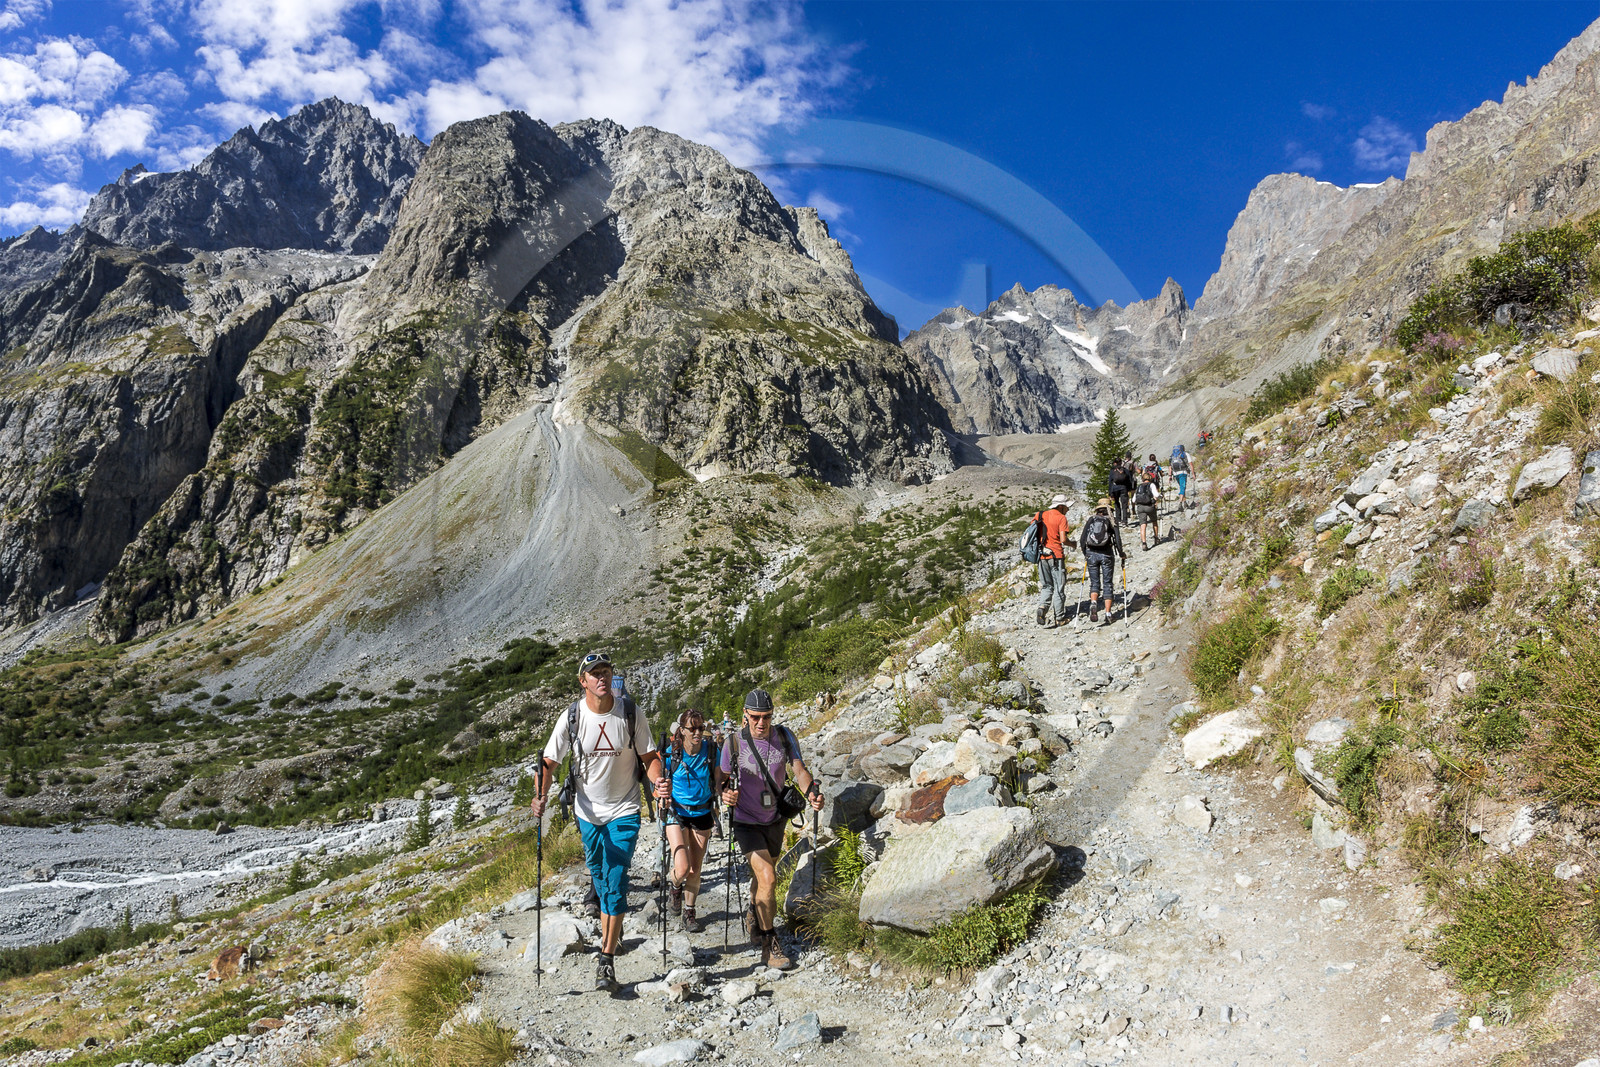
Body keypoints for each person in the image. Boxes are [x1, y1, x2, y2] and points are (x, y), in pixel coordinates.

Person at [530, 651, 669, 993]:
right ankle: (613, 929)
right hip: (587, 813)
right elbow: (549, 761)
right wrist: (541, 794)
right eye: (594, 673)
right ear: (583, 681)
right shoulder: (572, 717)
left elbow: (650, 755)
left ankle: (605, 959)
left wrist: (659, 783)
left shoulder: (631, 713)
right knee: (601, 877)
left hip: (624, 808)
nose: (601, 677)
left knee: (617, 878)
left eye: (606, 671)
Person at [718, 689, 823, 971]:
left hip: (776, 817)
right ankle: (769, 943)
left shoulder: (785, 736)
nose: (761, 723)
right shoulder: (733, 743)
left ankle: (753, 912)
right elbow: (722, 779)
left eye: (766, 717)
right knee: (768, 877)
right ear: (745, 716)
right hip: (745, 820)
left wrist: (811, 790)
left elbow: (799, 770)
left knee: (762, 878)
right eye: (755, 718)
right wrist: (725, 793)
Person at [661, 709, 717, 933]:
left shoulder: (711, 751)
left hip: (703, 813)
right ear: (681, 731)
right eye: (692, 728)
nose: (697, 732)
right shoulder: (671, 754)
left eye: (701, 728)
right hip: (677, 813)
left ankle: (689, 913)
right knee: (682, 867)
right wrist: (661, 797)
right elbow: (660, 783)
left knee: (695, 869)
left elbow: (721, 777)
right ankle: (674, 885)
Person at [1079, 498, 1126, 624]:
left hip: (1091, 554)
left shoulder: (1091, 520)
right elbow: (1117, 540)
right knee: (1107, 583)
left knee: (1094, 583)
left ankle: (1093, 603)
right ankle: (1108, 613)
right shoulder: (1111, 520)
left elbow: (1082, 539)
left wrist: (1086, 553)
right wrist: (1122, 554)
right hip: (1106, 554)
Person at [1032, 494, 1074, 627]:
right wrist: (1073, 544)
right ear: (1061, 506)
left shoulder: (1039, 515)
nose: (1068, 509)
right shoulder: (1061, 518)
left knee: (1047, 586)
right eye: (1066, 507)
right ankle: (1060, 618)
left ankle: (1042, 608)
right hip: (1056, 556)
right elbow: (1063, 540)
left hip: (1041, 555)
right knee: (1059, 587)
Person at [1134, 471, 1162, 550]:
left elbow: (1133, 500)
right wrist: (1161, 496)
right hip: (1149, 506)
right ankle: (1156, 538)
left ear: (1142, 479)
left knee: (1143, 525)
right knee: (1154, 521)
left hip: (1140, 507)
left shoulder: (1139, 486)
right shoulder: (1151, 485)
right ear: (1150, 478)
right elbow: (1156, 495)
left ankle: (1144, 543)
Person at [1108, 458, 1134, 527]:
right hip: (1124, 488)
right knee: (1124, 505)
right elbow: (1129, 480)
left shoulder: (1112, 471)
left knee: (1116, 503)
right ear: (1121, 463)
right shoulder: (1125, 470)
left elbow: (1110, 481)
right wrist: (1129, 489)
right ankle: (1124, 521)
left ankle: (1118, 520)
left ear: (1115, 463)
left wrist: (1110, 493)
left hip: (1115, 488)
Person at [1170, 445, 1191, 512]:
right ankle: (1180, 503)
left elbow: (1170, 466)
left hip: (1176, 473)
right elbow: (1191, 464)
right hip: (1183, 472)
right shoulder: (1185, 454)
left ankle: (1185, 503)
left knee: (1182, 487)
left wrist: (1170, 475)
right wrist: (1193, 473)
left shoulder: (1172, 456)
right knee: (1182, 487)